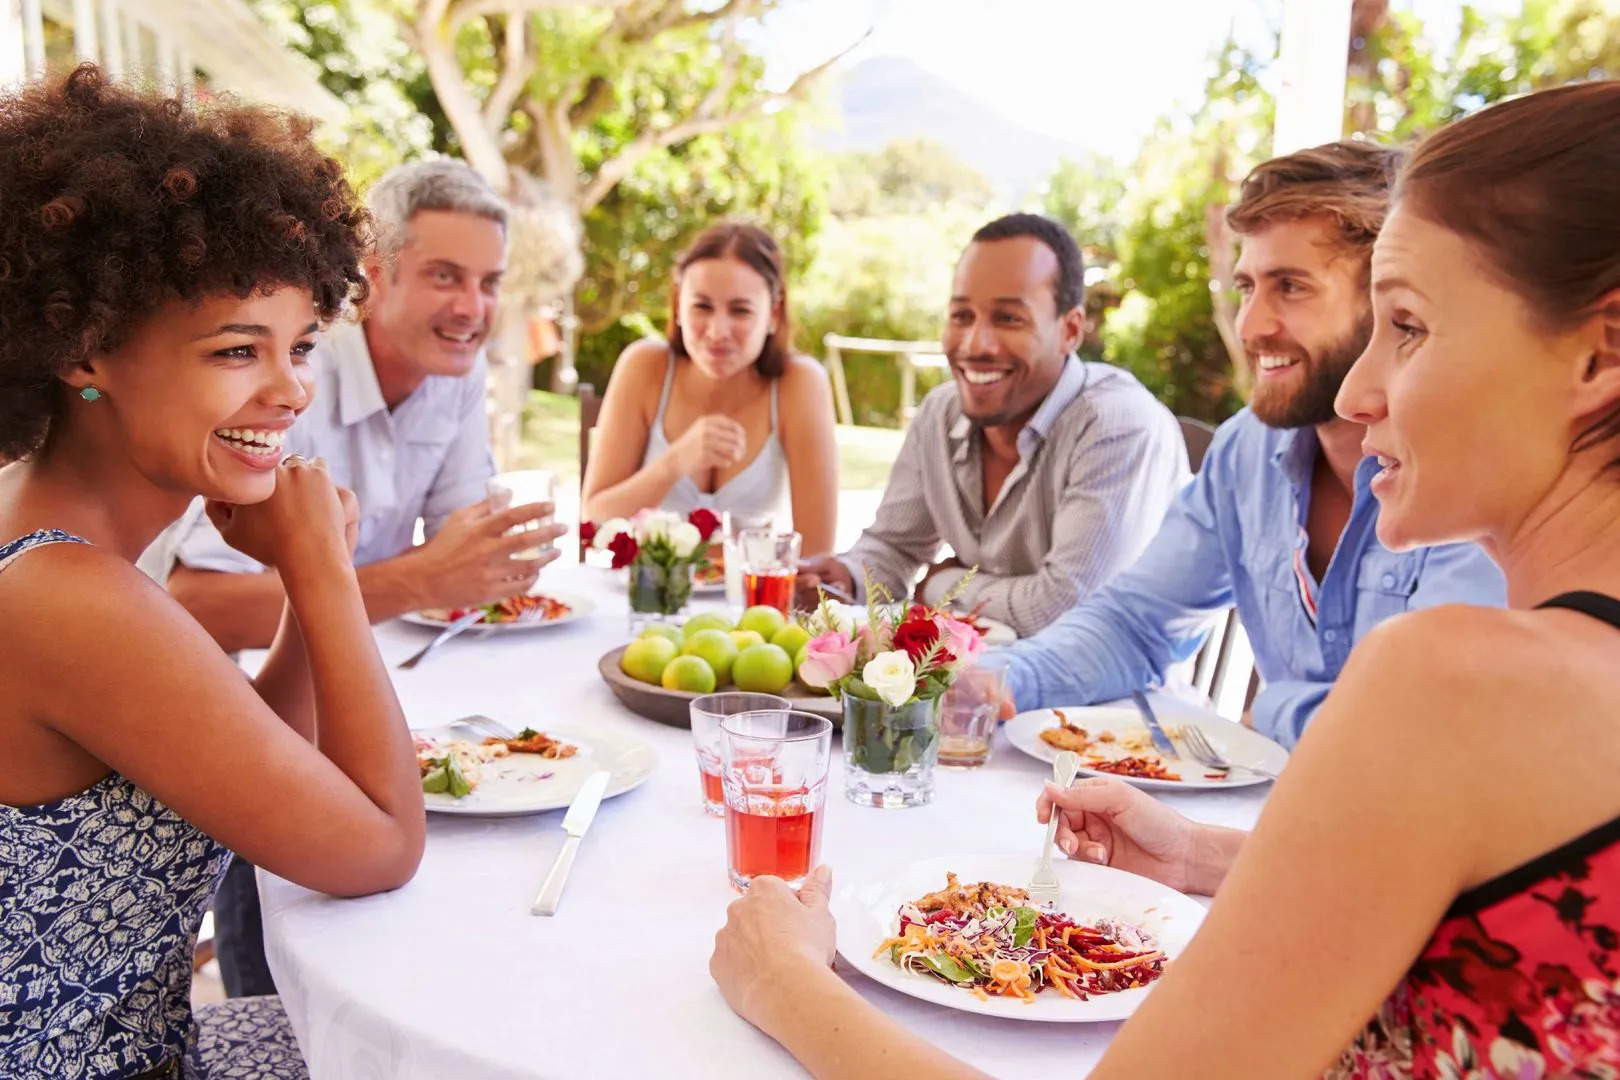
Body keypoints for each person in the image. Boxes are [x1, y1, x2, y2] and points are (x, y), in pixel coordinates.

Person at [710, 80, 1620, 1078]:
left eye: (1407, 325)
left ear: (1600, 351)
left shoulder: (1450, 681)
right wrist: (1212, 859)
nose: (1365, 390)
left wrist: (785, 982)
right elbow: (1477, 906)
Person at [0, 65, 425, 1078]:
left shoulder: (47, 537)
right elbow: (379, 849)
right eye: (240, 350)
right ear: (85, 349)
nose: (289, 392)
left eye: (304, 344)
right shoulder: (68, 599)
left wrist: (298, 590)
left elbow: (253, 767)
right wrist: (324, 570)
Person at [1000, 142, 1504, 747]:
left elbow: (1424, 731)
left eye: (1290, 287)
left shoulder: (1472, 470)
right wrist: (994, 679)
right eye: (1247, 287)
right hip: (1278, 822)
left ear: (1389, 302)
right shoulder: (1249, 450)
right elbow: (1136, 625)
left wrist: (1269, 711)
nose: (1251, 325)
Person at [156, 157, 564, 653]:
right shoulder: (292, 375)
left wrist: (473, 561)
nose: (473, 309)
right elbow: (198, 604)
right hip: (248, 687)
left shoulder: (459, 371)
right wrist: (418, 580)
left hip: (378, 659)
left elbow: (459, 551)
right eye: (444, 276)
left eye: (489, 283)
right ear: (373, 276)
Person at [794, 214, 1188, 637]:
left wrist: (940, 585)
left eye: (1008, 319)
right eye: (962, 316)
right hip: (978, 683)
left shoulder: (1116, 426)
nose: (975, 345)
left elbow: (1065, 611)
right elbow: (895, 546)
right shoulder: (940, 414)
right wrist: (846, 577)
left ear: (1070, 330)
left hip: (1115, 699)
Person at [583, 222, 838, 555]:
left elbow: (817, 555)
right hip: (646, 603)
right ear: (678, 306)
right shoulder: (644, 367)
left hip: (750, 602)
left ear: (773, 314)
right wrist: (676, 460)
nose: (718, 331)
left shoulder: (799, 383)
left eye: (740, 310)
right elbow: (596, 518)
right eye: (702, 307)